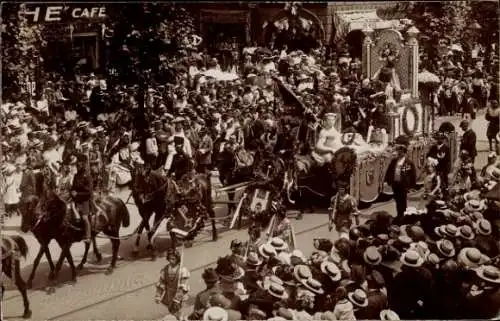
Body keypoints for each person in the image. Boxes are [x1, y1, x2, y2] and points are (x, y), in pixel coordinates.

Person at [385, 136, 416, 221]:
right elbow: (389, 170)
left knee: (403, 201)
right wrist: (388, 180)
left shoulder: (408, 162)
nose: (399, 153)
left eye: (401, 152)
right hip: (396, 184)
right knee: (397, 201)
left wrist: (412, 185)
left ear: (404, 152)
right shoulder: (394, 161)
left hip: (403, 185)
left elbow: (413, 174)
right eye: (399, 151)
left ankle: (403, 216)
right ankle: (399, 215)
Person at [155, 248, 190, 321]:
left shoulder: (182, 270)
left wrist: (177, 299)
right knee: (171, 310)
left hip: (179, 295)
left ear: (177, 259)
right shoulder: (165, 269)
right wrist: (158, 295)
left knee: (179, 311)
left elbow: (183, 286)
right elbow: (161, 282)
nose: (171, 260)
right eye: (170, 258)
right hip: (169, 294)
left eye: (173, 259)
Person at [70, 153, 93, 243]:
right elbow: (73, 187)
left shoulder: (87, 176)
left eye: (78, 164)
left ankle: (88, 236)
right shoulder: (76, 175)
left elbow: (89, 192)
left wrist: (77, 194)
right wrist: (72, 192)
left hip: (85, 201)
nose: (77, 166)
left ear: (83, 164)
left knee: (84, 218)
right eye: (76, 164)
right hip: (75, 200)